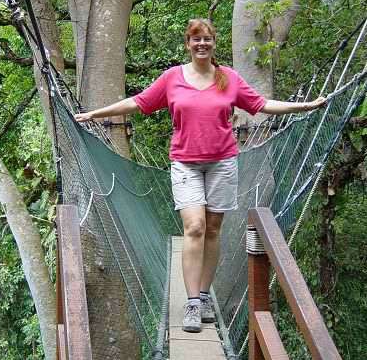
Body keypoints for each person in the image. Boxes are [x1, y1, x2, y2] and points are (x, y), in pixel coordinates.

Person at [75, 18, 325, 333]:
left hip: (223, 163)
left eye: (207, 39)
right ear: (188, 44)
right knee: (195, 227)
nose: (202, 44)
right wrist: (96, 114)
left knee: (213, 231)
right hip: (185, 164)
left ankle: (204, 295)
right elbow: (138, 102)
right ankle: (193, 303)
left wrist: (304, 107)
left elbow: (262, 105)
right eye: (196, 40)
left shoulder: (228, 78)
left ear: (213, 43)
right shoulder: (172, 78)